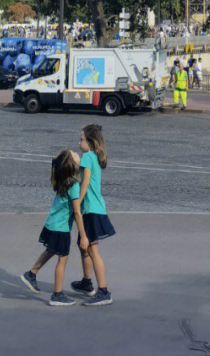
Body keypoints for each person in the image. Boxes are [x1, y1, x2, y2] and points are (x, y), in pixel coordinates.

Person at [21, 149, 89, 306]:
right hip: (61, 228)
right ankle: (57, 295)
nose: (76, 154)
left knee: (50, 250)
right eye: (74, 154)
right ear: (71, 164)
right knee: (62, 259)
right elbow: (77, 213)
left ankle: (31, 273)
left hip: (51, 224)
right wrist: (83, 235)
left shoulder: (62, 180)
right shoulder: (73, 185)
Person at [70, 124, 114, 306]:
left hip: (91, 210)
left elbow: (85, 182)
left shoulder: (87, 157)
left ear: (90, 141)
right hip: (96, 208)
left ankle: (103, 291)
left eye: (81, 139)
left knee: (92, 249)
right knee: (83, 246)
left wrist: (77, 204)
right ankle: (87, 282)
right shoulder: (94, 157)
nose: (79, 142)